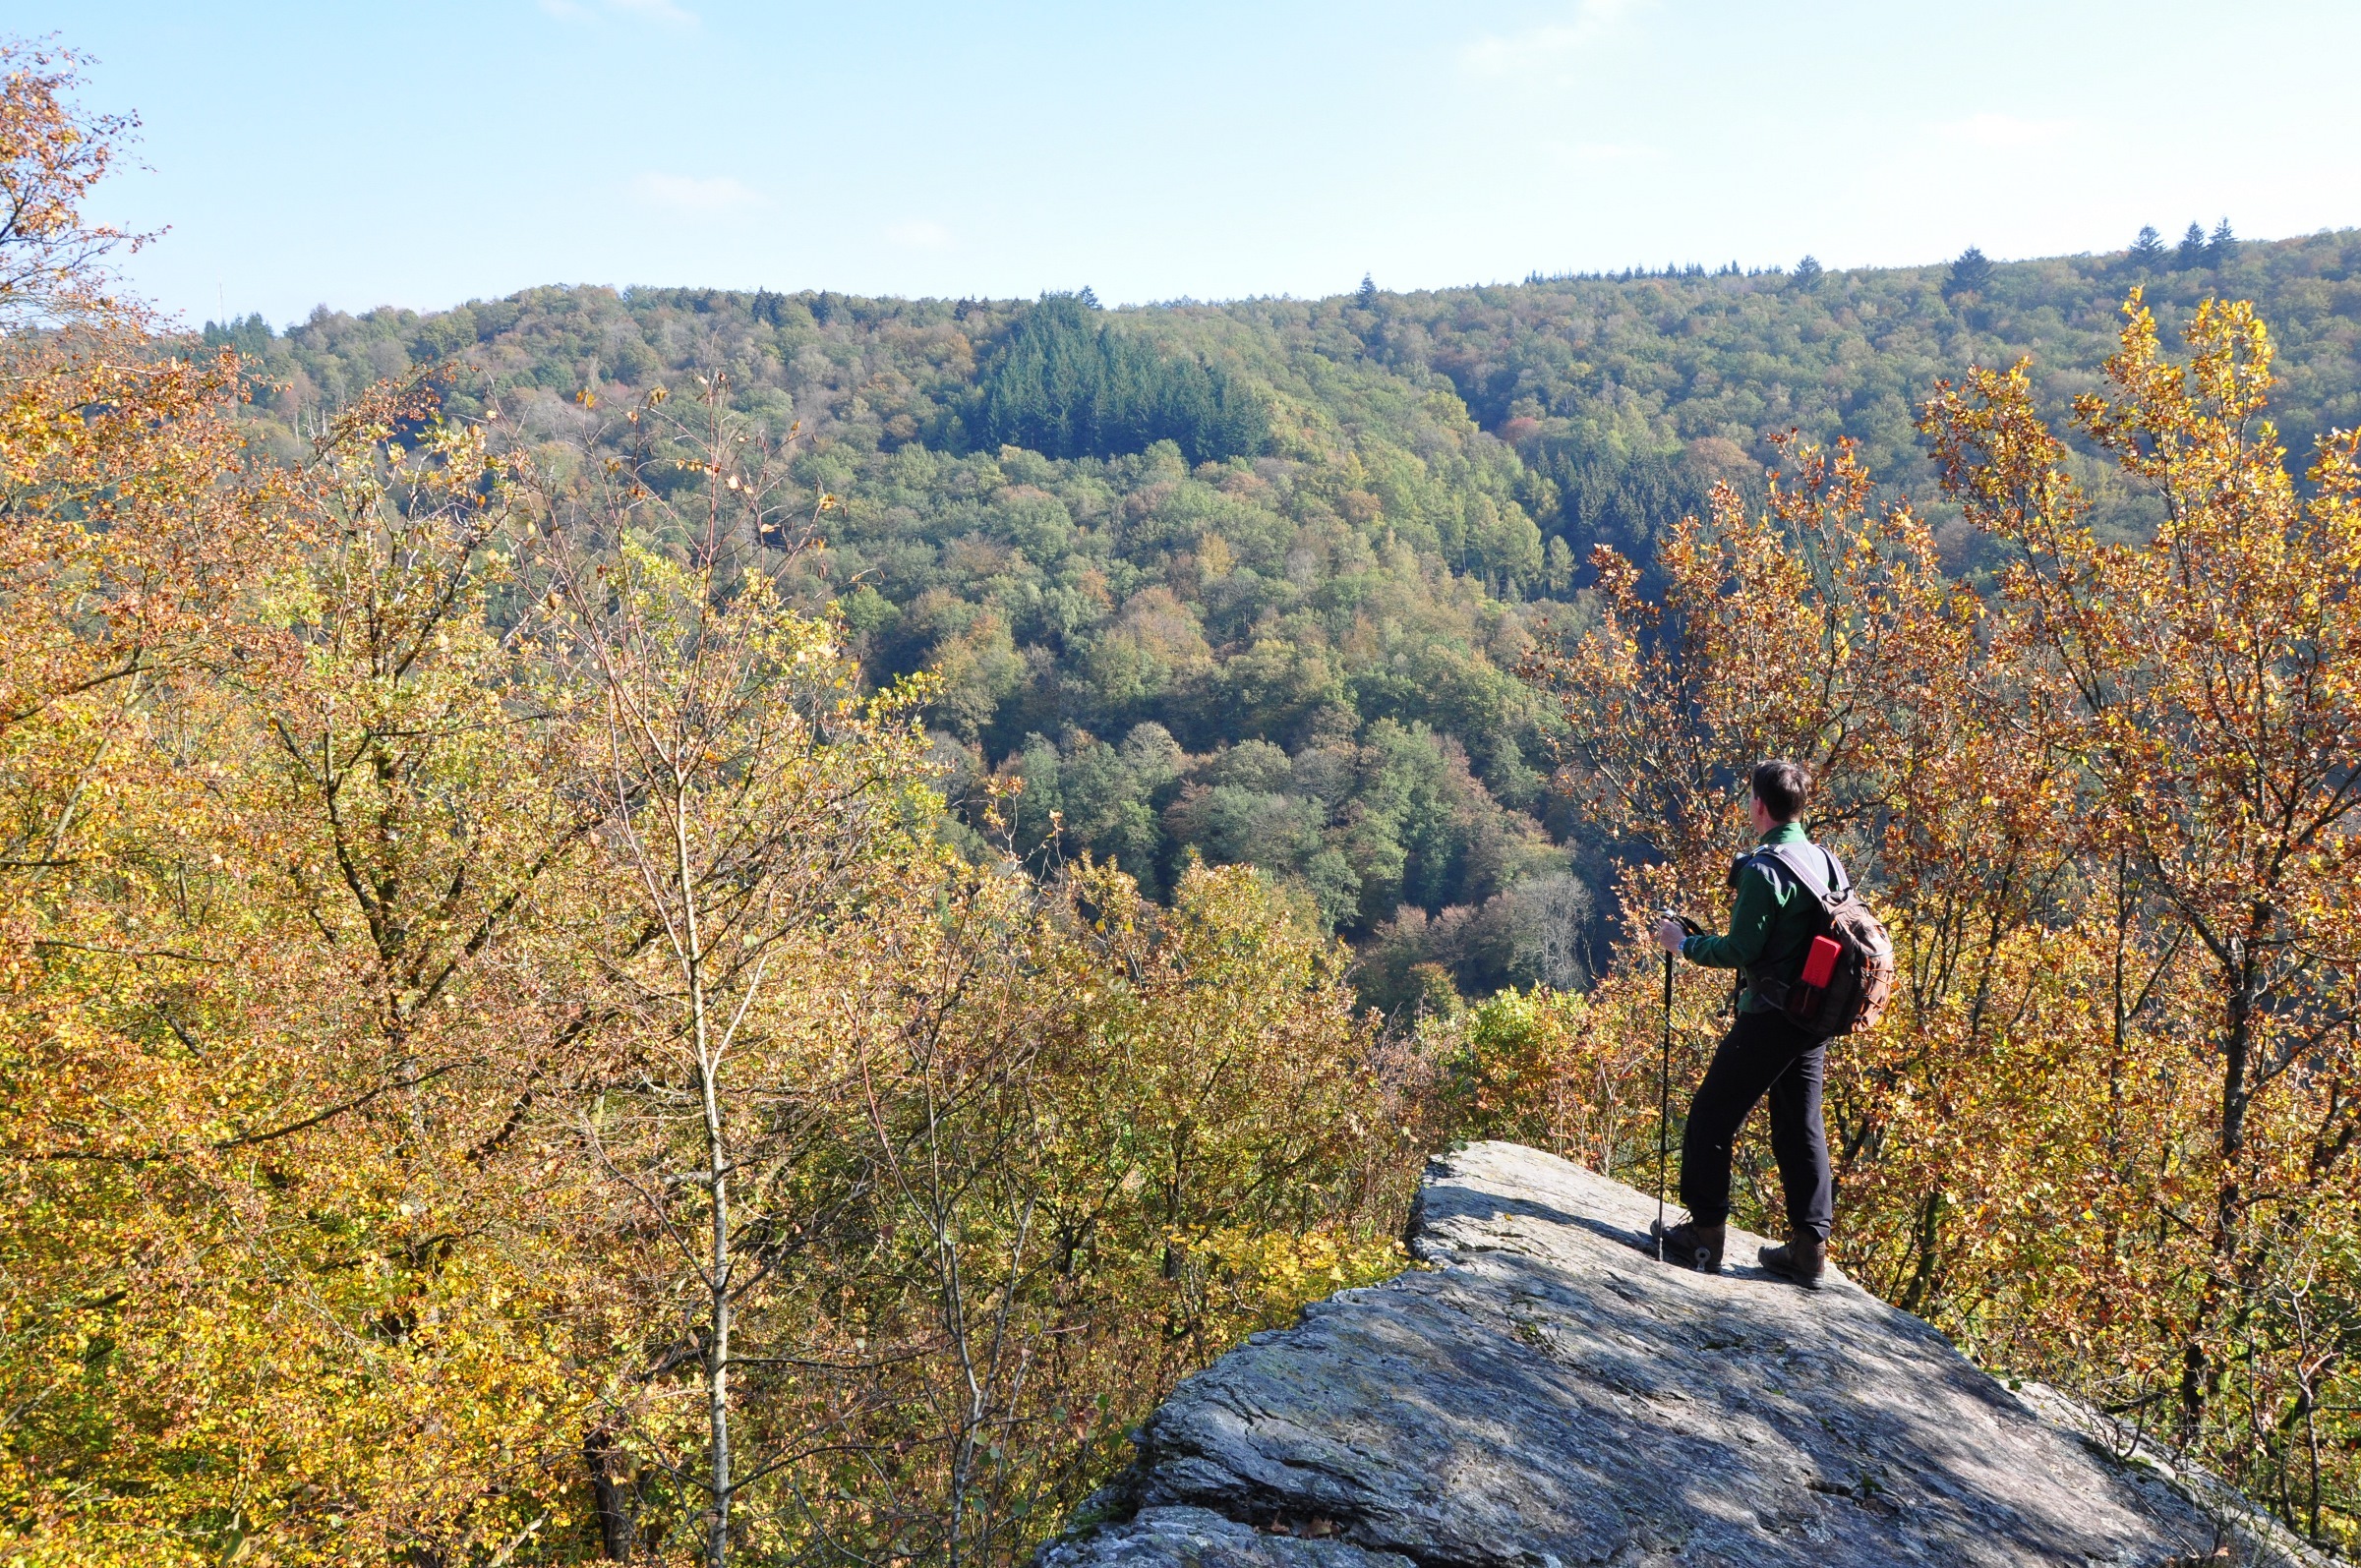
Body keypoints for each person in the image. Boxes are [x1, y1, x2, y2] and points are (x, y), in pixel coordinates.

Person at [1650, 758, 1837, 1290]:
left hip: (1772, 1016)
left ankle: (1704, 1235)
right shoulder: (1824, 860)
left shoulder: (1764, 869)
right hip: (1814, 1015)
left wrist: (1684, 944)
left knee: (1712, 1114)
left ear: (1758, 805)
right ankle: (1808, 1250)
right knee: (1800, 1126)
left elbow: (1741, 949)